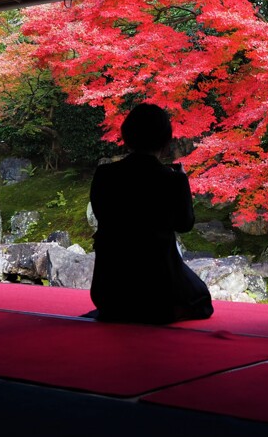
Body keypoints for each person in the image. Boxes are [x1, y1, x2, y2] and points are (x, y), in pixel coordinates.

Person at [88, 102, 213, 324]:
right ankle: (162, 311)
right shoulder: (172, 179)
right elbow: (185, 223)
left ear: (127, 136)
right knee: (200, 295)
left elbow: (101, 214)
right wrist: (182, 183)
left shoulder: (104, 175)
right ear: (165, 140)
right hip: (159, 285)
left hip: (109, 288)